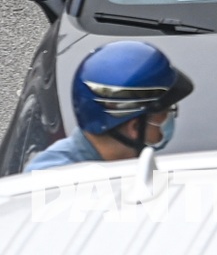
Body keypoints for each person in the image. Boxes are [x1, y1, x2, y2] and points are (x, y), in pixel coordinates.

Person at [23, 41, 193, 173]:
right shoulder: (55, 183)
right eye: (165, 111)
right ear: (134, 127)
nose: (171, 118)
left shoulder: (132, 167)